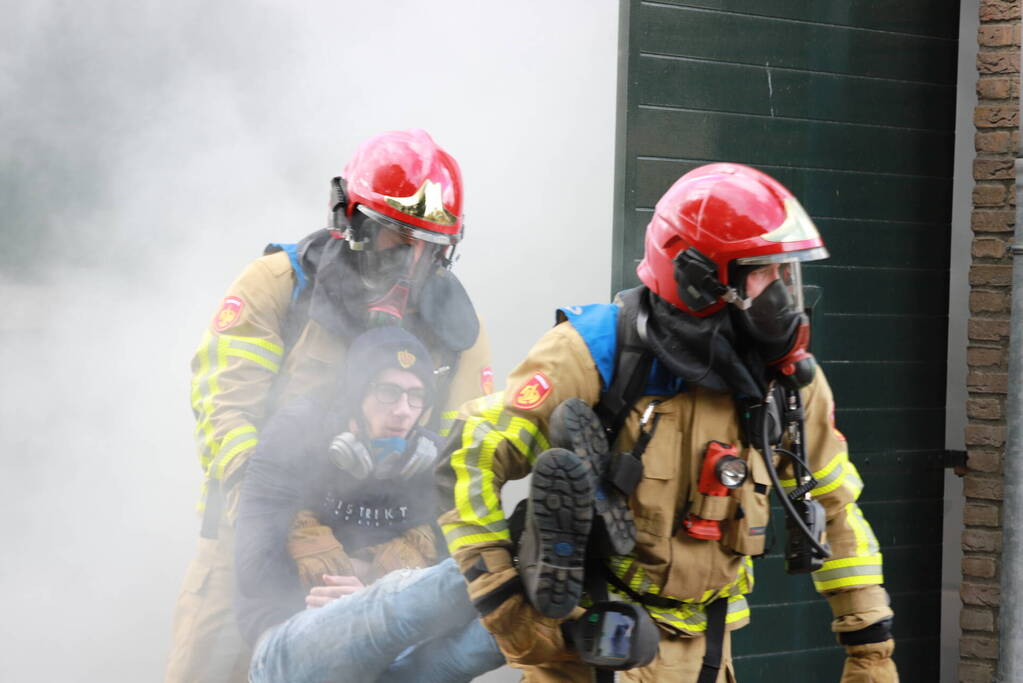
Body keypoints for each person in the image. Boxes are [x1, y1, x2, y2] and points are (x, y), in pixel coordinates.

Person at [436, 163, 897, 681]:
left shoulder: (788, 386)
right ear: (700, 280)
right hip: (591, 654)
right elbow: (466, 454)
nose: (783, 296)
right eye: (765, 273)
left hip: (709, 654)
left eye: (787, 274)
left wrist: (871, 651)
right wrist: (496, 588)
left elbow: (835, 510)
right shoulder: (595, 353)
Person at [165, 129, 493, 683]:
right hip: (252, 539)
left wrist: (396, 562)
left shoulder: (459, 333)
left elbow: (462, 466)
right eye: (396, 239)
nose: (409, 267)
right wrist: (283, 531)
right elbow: (224, 411)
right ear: (351, 220)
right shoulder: (279, 284)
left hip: (378, 554)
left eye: (428, 249)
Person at [236, 326, 505, 683]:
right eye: (388, 392)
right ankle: (514, 561)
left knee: (491, 640)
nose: (403, 411)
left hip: (394, 660)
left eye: (416, 396)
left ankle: (550, 585)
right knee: (396, 608)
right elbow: (256, 568)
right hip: (290, 650)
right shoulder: (296, 434)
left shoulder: (437, 463)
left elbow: (448, 586)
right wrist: (357, 602)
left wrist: (363, 589)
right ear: (354, 394)